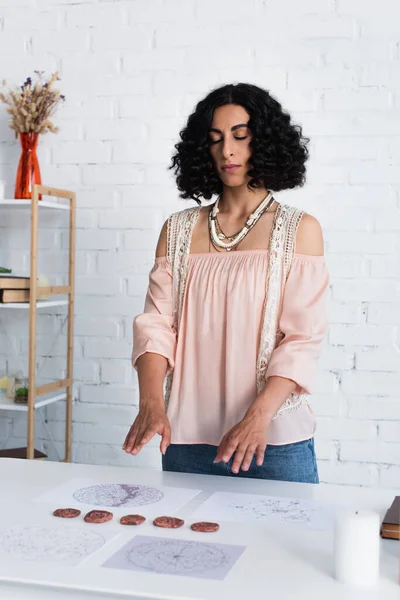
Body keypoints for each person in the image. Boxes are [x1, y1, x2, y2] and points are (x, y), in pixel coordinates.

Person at [123, 83, 330, 483]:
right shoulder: (178, 230)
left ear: (265, 141)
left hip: (272, 441)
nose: (227, 151)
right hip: (185, 441)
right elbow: (155, 326)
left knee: (287, 546)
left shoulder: (298, 230)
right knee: (183, 546)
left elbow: (302, 339)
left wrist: (258, 417)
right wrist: (151, 401)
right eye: (215, 140)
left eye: (240, 136)